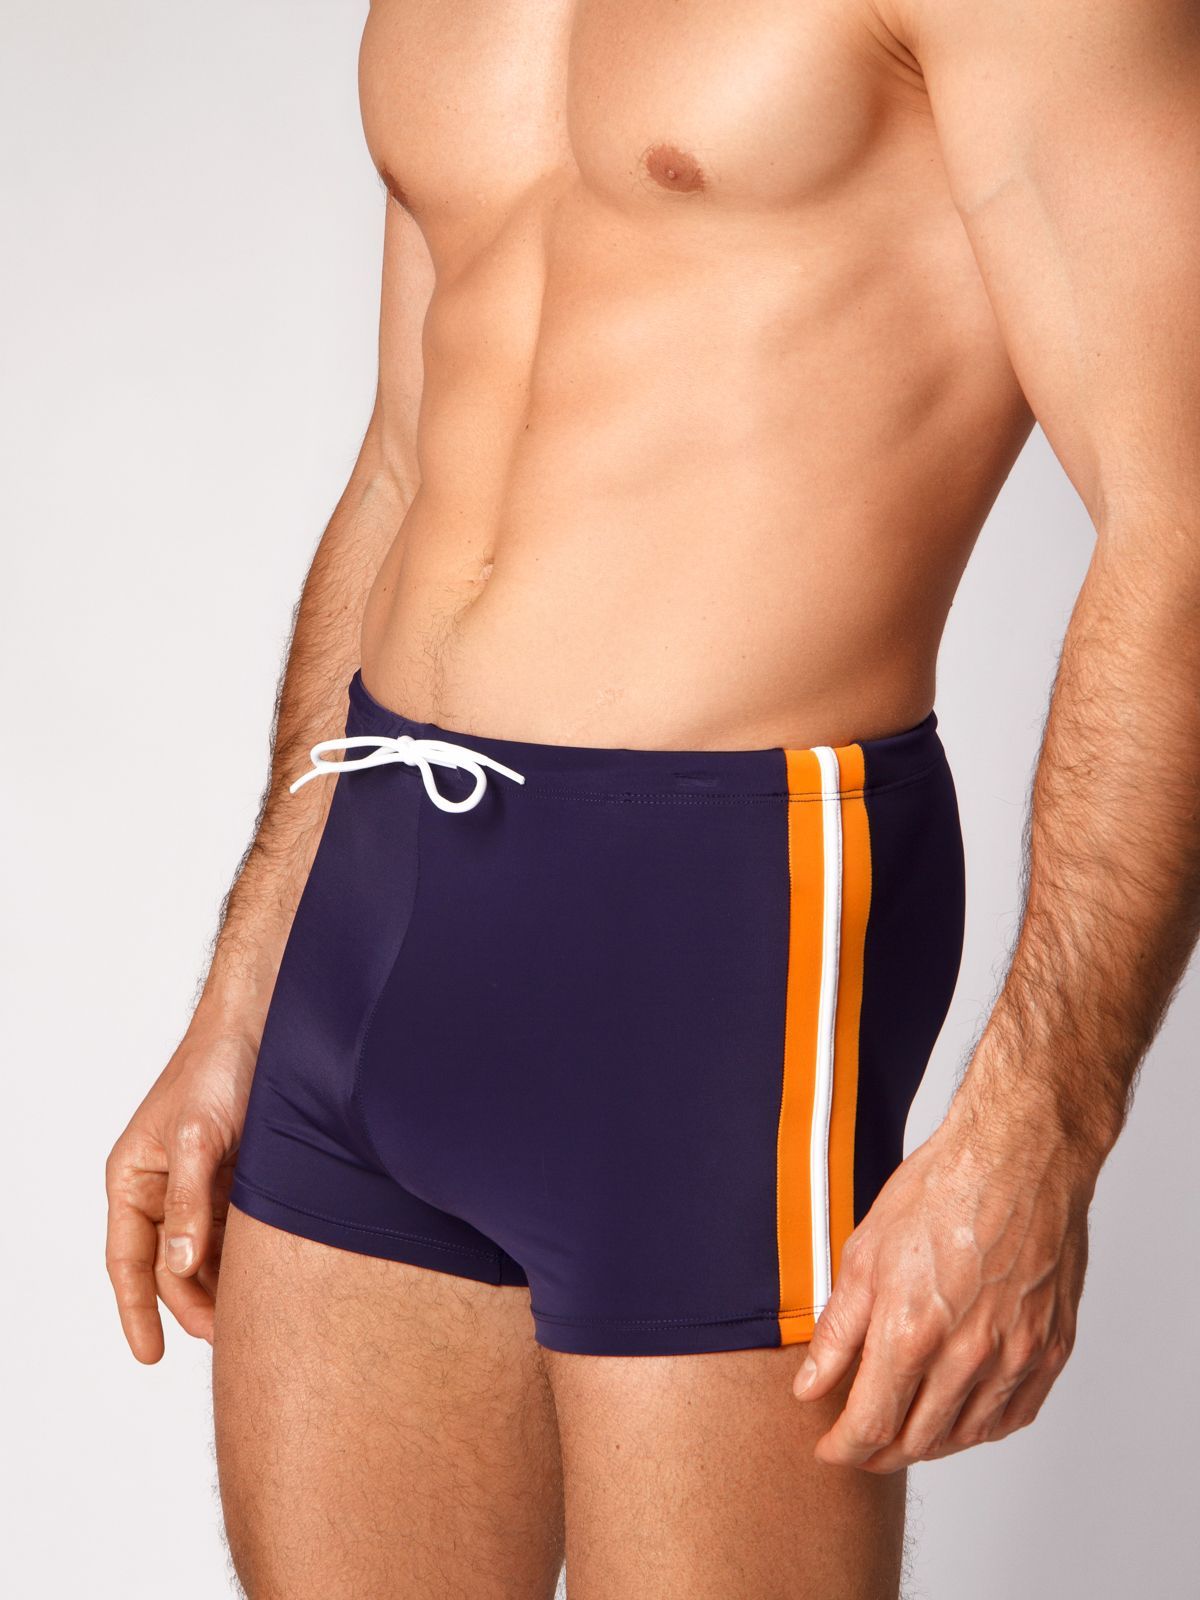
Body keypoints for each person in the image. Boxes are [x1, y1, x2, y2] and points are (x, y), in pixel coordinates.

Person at [105, 2, 1200, 1595]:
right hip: (370, 924)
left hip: (715, 944)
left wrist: (1046, 1127)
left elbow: (1181, 526)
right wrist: (243, 991)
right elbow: (407, 463)